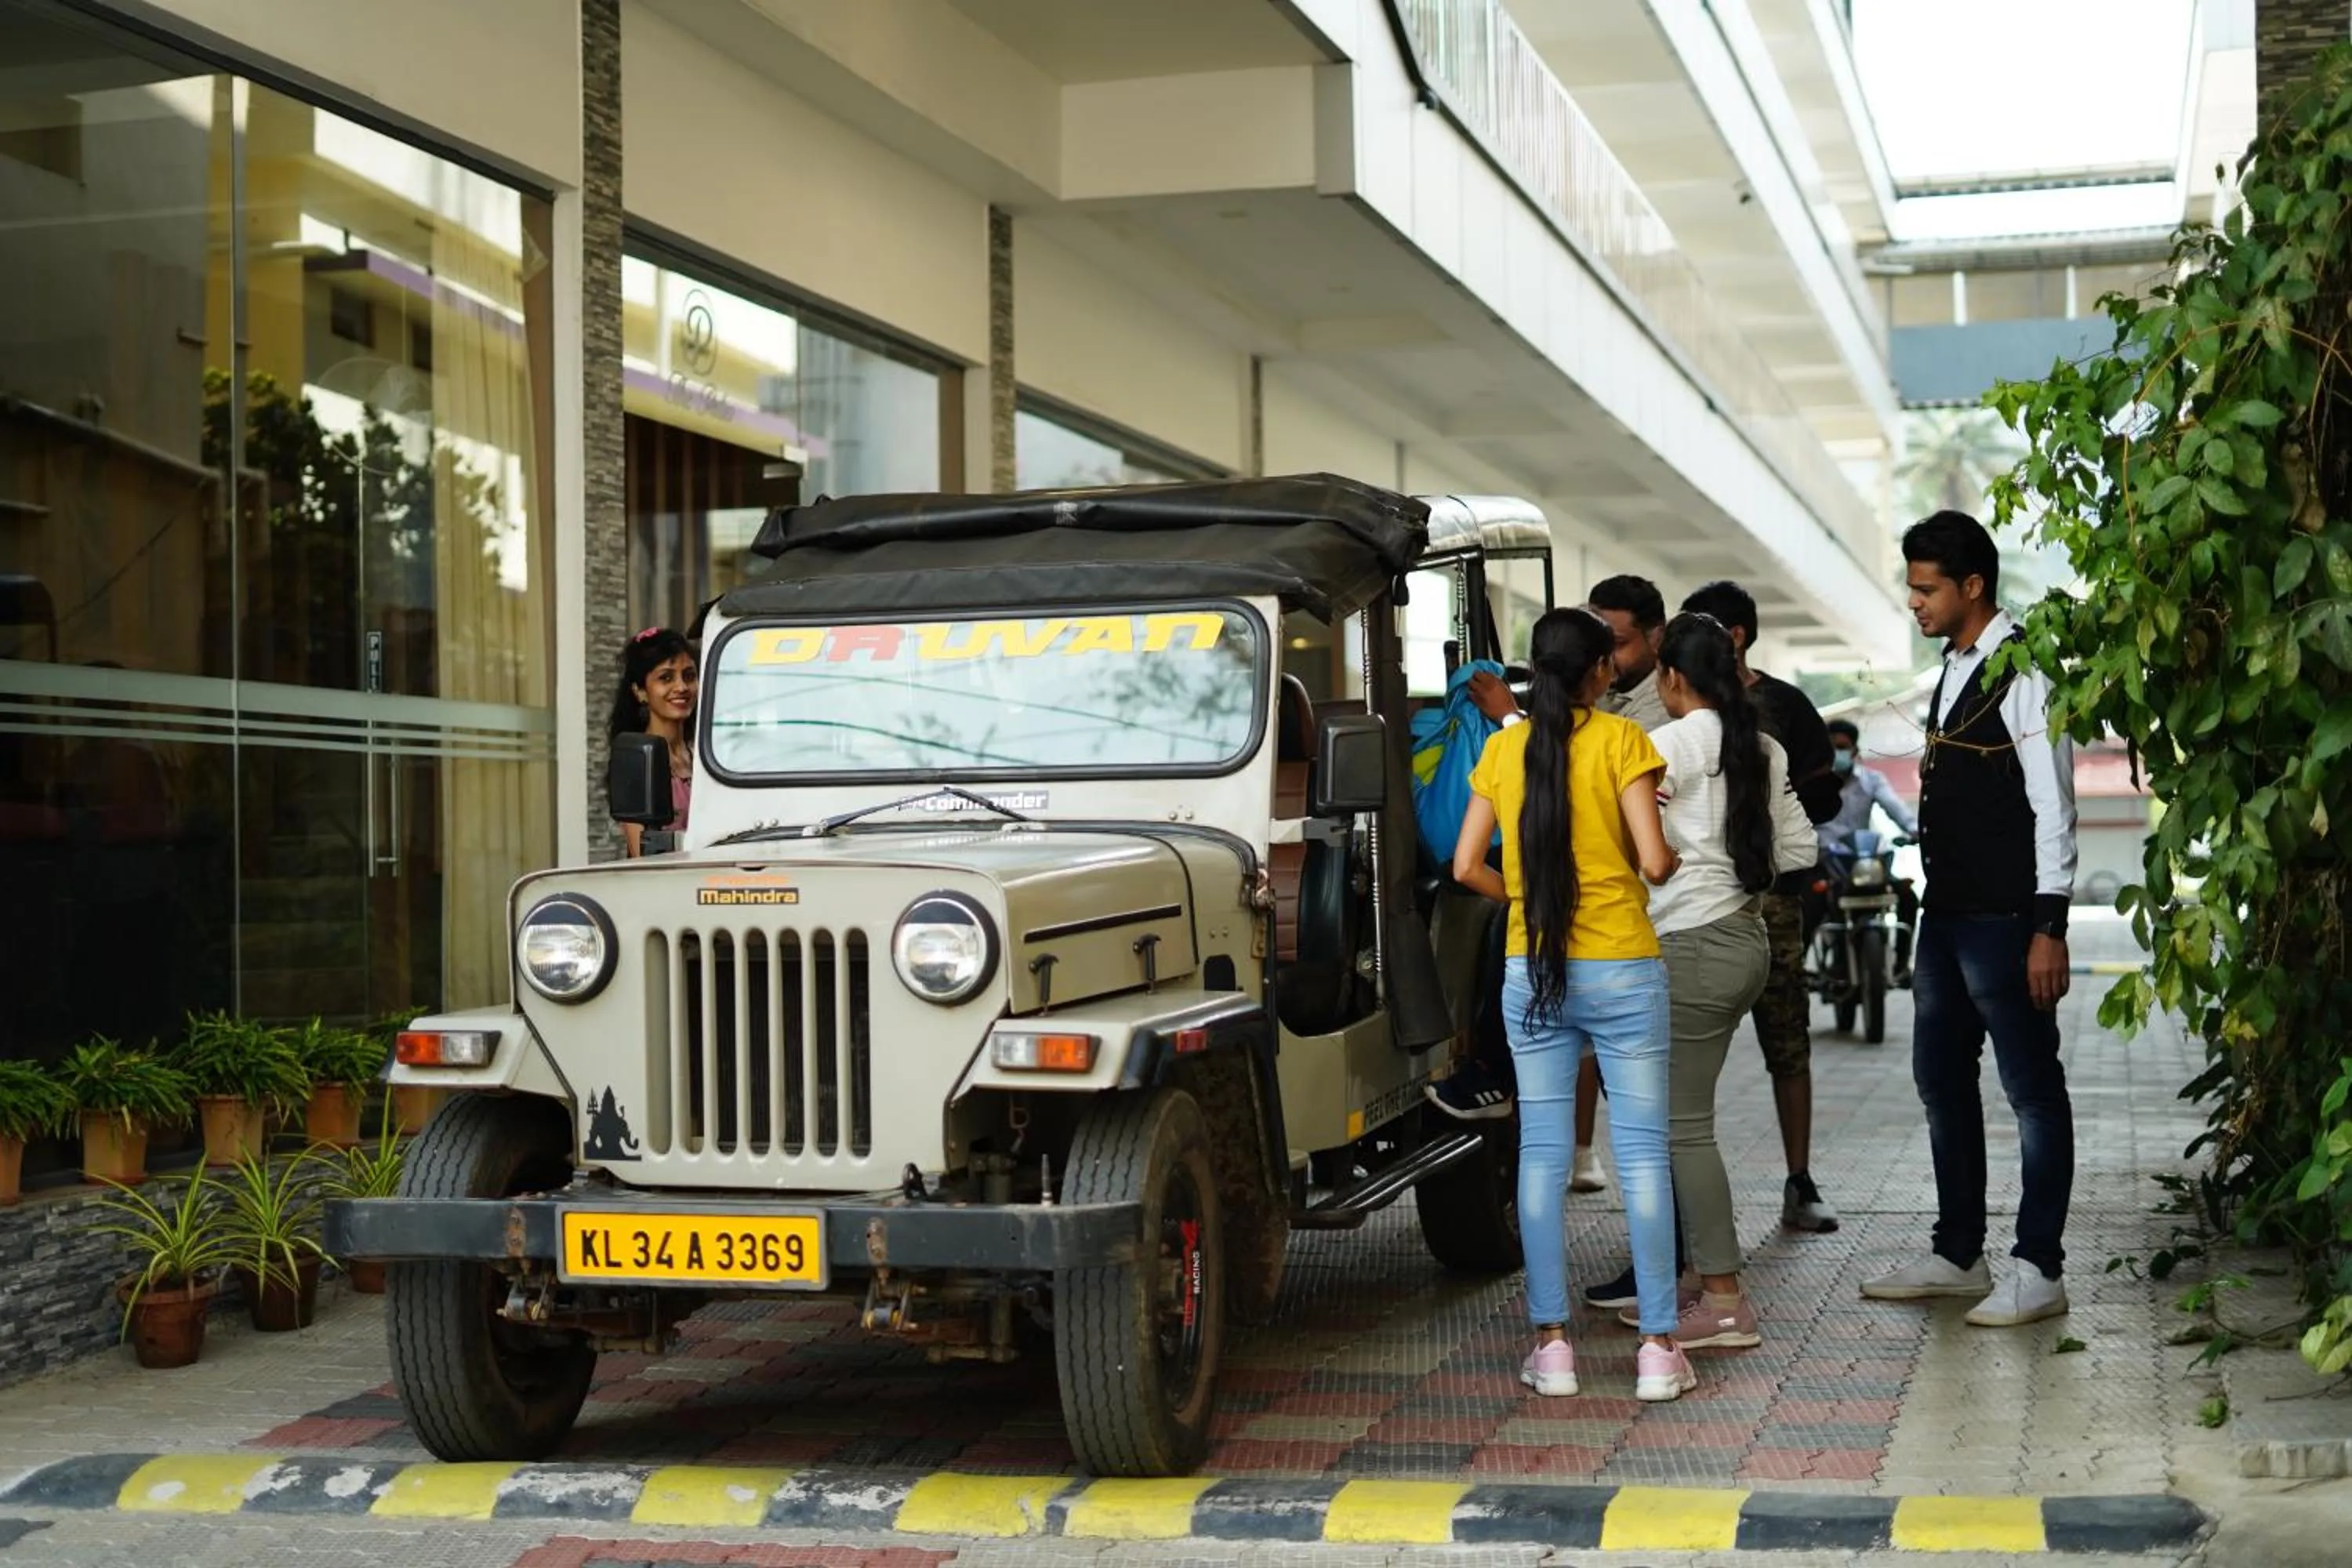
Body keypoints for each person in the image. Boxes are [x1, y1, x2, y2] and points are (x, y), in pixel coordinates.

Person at [1450, 607, 1697, 1404]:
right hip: (1623, 967)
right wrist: (1668, 853)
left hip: (1535, 968)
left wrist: (1521, 895)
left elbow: (1464, 867)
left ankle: (1551, 1348)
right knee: (1642, 1156)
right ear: (1598, 670)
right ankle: (1659, 1348)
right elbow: (1656, 862)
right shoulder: (1625, 742)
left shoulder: (1502, 748)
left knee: (1543, 1158)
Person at [1862, 511, 2077, 1328]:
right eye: (1913, 587)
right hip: (1945, 914)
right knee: (1941, 1081)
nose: (1915, 603)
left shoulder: (2024, 669)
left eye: (1926, 588)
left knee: (2030, 1090)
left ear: (1972, 584)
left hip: (2008, 917)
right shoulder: (1954, 665)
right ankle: (1959, 1254)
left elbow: (2052, 801)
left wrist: (2048, 924)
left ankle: (2039, 1265)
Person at [1614, 613, 1821, 1349]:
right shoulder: (1762, 746)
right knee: (1684, 1123)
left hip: (1689, 948)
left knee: (1683, 1130)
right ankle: (1698, 1285)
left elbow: (1630, 847)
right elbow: (1800, 846)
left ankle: (1727, 1300)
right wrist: (1735, 868)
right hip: (1746, 939)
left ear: (1670, 676)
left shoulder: (1656, 746)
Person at [1678, 580, 1843, 1236]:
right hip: (1694, 909)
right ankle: (1686, 1195)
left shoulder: (1784, 709)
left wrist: (1754, 852)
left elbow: (1820, 806)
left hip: (1768, 906)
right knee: (1688, 1065)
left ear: (1735, 637)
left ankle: (1799, 1180)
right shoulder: (1677, 716)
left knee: (1787, 1039)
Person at [1823, 717, 1922, 983]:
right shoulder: (1813, 781)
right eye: (1831, 747)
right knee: (1807, 904)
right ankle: (1800, 972)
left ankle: (1901, 966)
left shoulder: (1871, 780)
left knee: (1908, 898)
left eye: (1842, 747)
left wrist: (1915, 831)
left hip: (1862, 863)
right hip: (1823, 861)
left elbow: (1895, 808)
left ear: (1855, 750)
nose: (1837, 753)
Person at [608, 626, 699, 858]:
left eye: (689, 676)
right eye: (666, 678)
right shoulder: (635, 759)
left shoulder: (708, 755)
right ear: (640, 692)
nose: (682, 687)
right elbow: (642, 855)